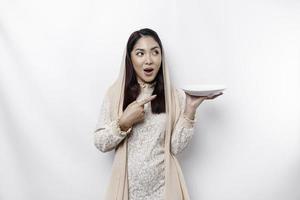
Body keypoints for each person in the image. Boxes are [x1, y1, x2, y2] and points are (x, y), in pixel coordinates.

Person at [93, 28, 222, 200]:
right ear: (130, 58)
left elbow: (176, 147)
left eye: (155, 52)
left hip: (165, 189)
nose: (149, 60)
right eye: (140, 53)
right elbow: (100, 142)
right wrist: (123, 123)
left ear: (161, 57)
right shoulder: (115, 94)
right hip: (127, 191)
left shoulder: (174, 96)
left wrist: (190, 109)